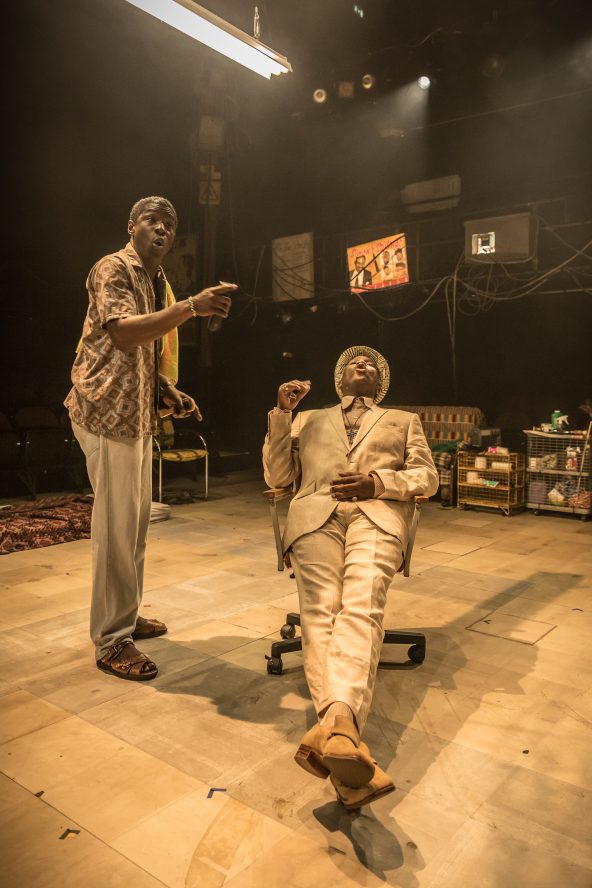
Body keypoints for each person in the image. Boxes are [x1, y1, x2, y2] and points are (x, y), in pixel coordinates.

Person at [65, 196, 236, 681]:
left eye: (170, 225)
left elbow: (140, 350)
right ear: (131, 226)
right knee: (115, 530)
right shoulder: (113, 268)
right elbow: (122, 334)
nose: (162, 229)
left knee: (135, 526)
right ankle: (111, 640)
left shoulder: (155, 280)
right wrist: (191, 307)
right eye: (152, 220)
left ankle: (125, 613)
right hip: (105, 411)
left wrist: (165, 388)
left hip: (136, 415)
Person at [263, 346, 438, 809]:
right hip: (314, 516)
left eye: (372, 364)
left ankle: (336, 729)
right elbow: (278, 476)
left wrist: (378, 483)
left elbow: (427, 477)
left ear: (381, 382)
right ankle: (342, 734)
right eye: (354, 363)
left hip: (376, 514)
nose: (363, 364)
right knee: (321, 610)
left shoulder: (403, 420)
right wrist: (282, 414)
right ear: (340, 379)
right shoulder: (307, 418)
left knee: (361, 604)